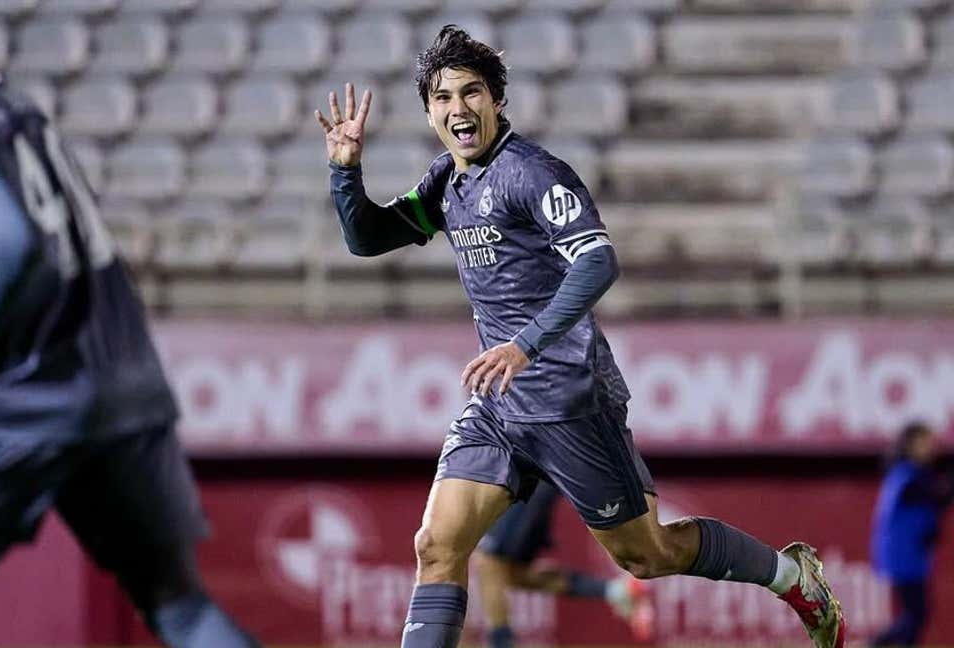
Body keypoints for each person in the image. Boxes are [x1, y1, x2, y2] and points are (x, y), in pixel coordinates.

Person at [315, 25, 845, 648]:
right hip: (498, 406)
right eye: (443, 97)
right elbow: (367, 239)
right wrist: (345, 174)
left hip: (569, 399)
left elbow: (598, 261)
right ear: (429, 111)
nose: (459, 109)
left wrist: (525, 344)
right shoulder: (447, 183)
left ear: (498, 100)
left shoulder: (531, 173)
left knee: (647, 555)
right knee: (437, 546)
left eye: (472, 93)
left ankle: (790, 576)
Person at [0, 2, 260, 647]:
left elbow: (12, 241)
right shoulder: (10, 103)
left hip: (36, 394)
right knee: (179, 606)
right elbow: (20, 204)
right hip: (127, 376)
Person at [475, 482, 653, 648]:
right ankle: (617, 590)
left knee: (490, 561)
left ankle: (501, 642)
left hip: (527, 481)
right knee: (510, 574)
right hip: (521, 481)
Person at [871, 422, 953, 647]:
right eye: (924, 442)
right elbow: (935, 496)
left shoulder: (916, 474)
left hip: (913, 557)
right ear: (909, 445)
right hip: (903, 557)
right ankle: (875, 644)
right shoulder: (907, 476)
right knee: (917, 614)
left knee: (917, 615)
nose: (930, 448)